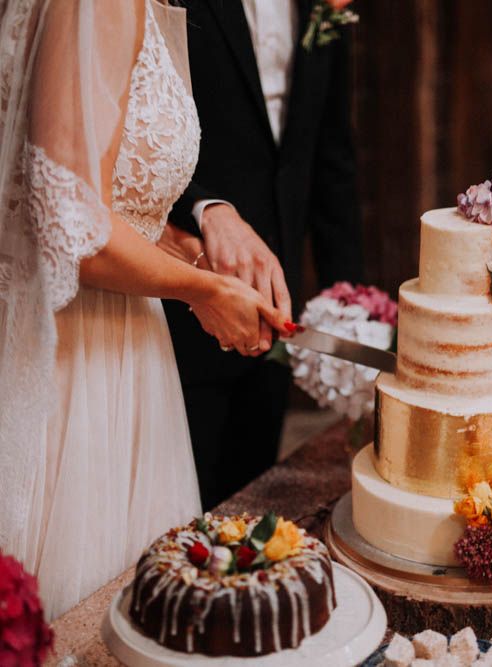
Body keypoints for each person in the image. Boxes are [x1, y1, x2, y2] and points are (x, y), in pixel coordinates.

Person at [0, 0, 291, 620]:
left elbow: (95, 193)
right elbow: (67, 223)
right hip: (77, 363)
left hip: (124, 349)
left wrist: (188, 253)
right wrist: (203, 293)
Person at [162, 0, 365, 510]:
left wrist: (351, 301)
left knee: (251, 499)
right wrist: (203, 209)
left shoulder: (326, 8)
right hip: (179, 291)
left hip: (278, 298)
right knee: (179, 508)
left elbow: (329, 153)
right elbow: (129, 133)